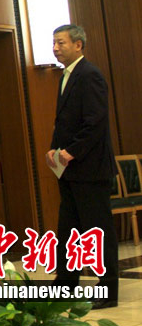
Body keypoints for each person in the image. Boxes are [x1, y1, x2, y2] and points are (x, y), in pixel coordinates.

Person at [46, 24, 118, 309]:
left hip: (91, 169)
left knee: (97, 231)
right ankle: (65, 283)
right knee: (69, 228)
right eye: (54, 43)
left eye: (61, 42)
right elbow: (64, 122)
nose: (55, 48)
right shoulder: (66, 76)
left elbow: (95, 122)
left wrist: (71, 151)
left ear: (78, 45)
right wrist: (54, 149)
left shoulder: (90, 75)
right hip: (69, 169)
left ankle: (108, 289)